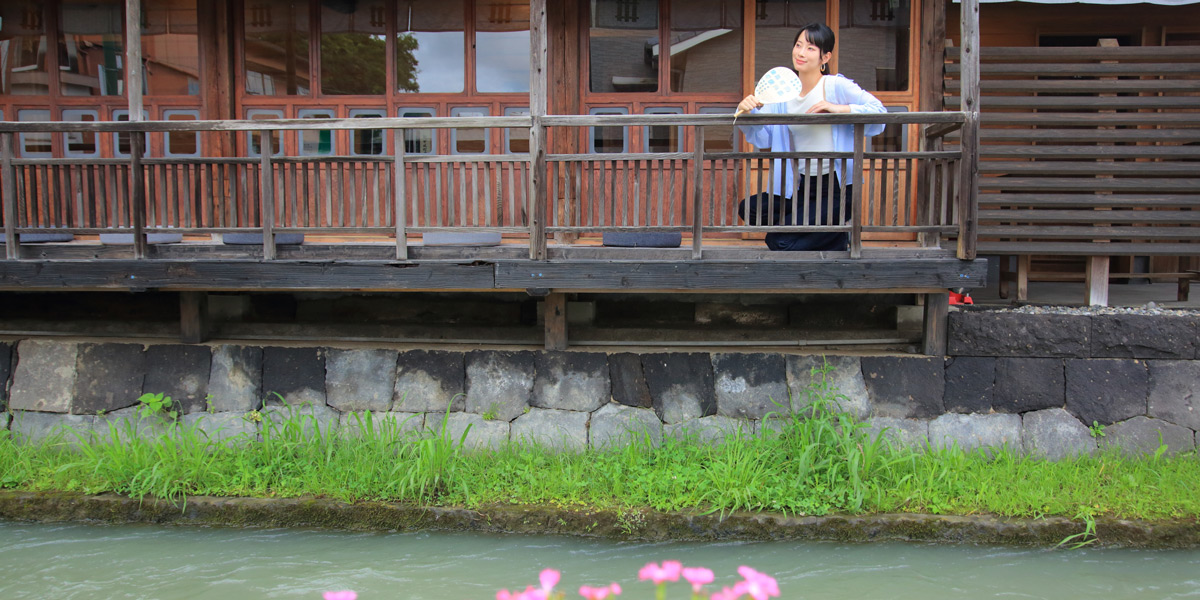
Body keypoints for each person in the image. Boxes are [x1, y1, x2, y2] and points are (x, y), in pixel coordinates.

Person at [736, 23, 885, 251]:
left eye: (811, 48)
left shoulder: (835, 86)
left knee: (780, 242)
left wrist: (838, 109)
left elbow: (880, 113)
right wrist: (748, 112)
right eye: (798, 45)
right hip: (799, 186)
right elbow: (764, 139)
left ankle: (832, 234)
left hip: (836, 188)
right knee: (750, 208)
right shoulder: (783, 95)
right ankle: (825, 232)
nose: (801, 53)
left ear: (825, 56)